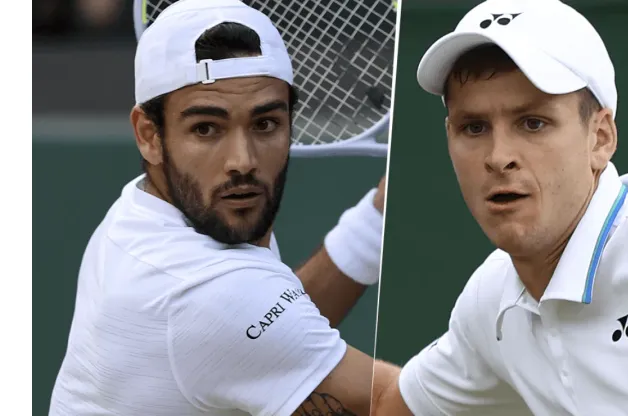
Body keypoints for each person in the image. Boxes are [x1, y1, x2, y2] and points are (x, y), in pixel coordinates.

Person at [48, 0, 392, 414]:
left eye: (265, 124)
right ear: (149, 134)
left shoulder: (142, 213)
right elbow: (407, 403)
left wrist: (377, 215)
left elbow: (269, 340)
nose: (242, 161)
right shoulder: (199, 292)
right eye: (206, 128)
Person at [371, 0, 628, 414]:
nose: (498, 157)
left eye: (533, 123)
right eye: (473, 127)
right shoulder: (491, 301)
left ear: (600, 138)